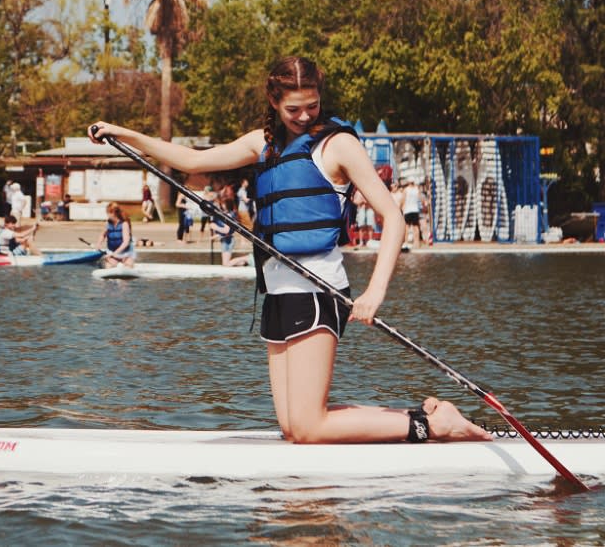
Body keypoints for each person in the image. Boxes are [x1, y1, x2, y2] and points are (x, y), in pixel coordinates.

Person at [89, 55, 490, 444]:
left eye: (312, 106)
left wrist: (375, 292)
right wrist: (124, 135)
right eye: (293, 108)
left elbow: (394, 218)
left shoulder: (337, 145)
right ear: (273, 102)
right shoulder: (262, 144)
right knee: (295, 428)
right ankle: (423, 419)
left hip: (317, 291)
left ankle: (432, 426)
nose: (304, 116)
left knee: (309, 428)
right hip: (277, 294)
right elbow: (193, 159)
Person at [210, 196, 250, 266]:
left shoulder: (229, 215)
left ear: (227, 205)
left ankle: (246, 258)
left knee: (226, 264)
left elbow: (227, 230)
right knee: (225, 264)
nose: (221, 205)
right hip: (225, 240)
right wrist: (216, 234)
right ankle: (244, 263)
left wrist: (215, 227)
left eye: (223, 204)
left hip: (228, 241)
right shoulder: (227, 214)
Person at [95, 202, 136, 268]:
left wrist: (114, 253)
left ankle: (128, 263)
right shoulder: (107, 224)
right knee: (108, 267)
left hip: (126, 254)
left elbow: (126, 242)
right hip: (112, 253)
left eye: (108, 213)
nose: (107, 215)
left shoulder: (124, 224)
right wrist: (98, 244)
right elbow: (102, 235)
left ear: (113, 213)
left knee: (129, 267)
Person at [402, 180, 422, 248]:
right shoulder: (417, 189)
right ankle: (417, 243)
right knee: (415, 227)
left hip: (408, 210)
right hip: (415, 209)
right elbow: (420, 198)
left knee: (407, 227)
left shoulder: (406, 190)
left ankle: (406, 242)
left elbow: (403, 200)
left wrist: (402, 208)